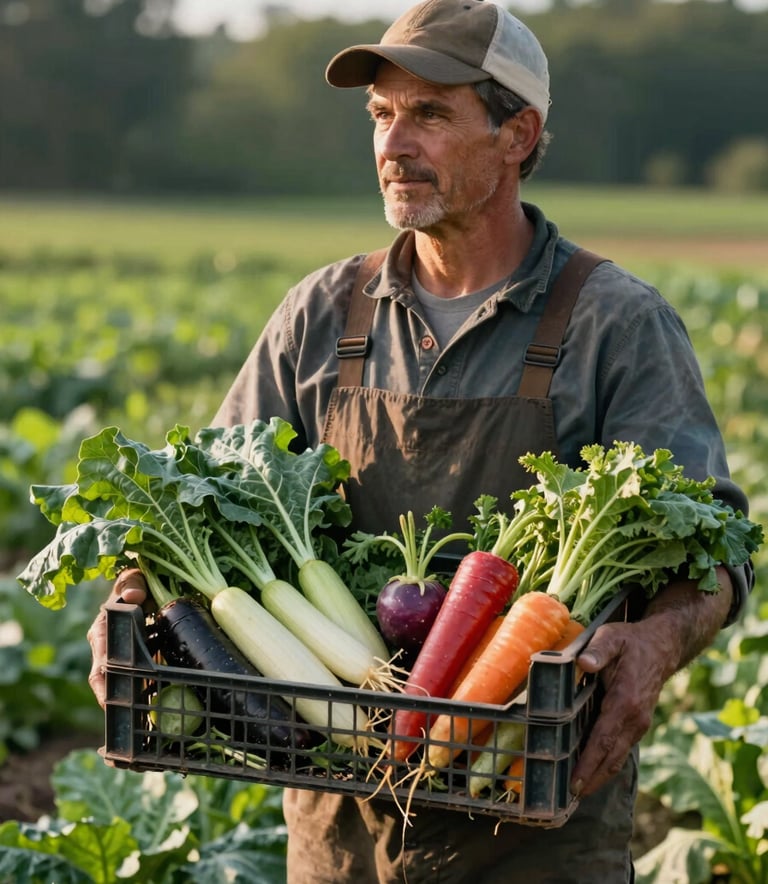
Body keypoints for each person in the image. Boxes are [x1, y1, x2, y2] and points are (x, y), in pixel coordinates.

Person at [87, 1, 754, 881]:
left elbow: (712, 546)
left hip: (534, 808)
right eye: (381, 115)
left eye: (430, 114)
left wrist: (660, 642)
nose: (393, 145)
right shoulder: (321, 315)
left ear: (518, 134)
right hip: (341, 811)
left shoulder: (615, 323)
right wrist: (143, 591)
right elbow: (203, 502)